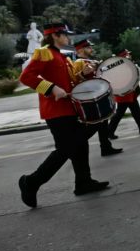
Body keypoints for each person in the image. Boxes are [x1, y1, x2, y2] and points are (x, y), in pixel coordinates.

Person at [18, 23, 109, 208]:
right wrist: (51, 88)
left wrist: (83, 74)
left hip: (69, 109)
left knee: (80, 145)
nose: (68, 38)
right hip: (55, 111)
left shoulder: (62, 57)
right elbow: (26, 77)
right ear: (55, 35)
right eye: (65, 35)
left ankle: (83, 182)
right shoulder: (44, 53)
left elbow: (70, 82)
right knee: (66, 149)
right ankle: (31, 181)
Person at [73, 39, 122, 156]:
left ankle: (106, 147)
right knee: (95, 125)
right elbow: (75, 81)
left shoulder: (92, 61)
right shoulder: (79, 62)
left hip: (99, 96)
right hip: (90, 99)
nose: (91, 49)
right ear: (81, 50)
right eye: (88, 47)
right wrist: (83, 74)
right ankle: (73, 145)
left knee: (103, 123)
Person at [107, 49, 140, 138]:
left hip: (130, 93)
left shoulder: (126, 64)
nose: (129, 56)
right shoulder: (120, 66)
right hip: (124, 94)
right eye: (127, 54)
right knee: (120, 113)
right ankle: (109, 131)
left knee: (136, 110)